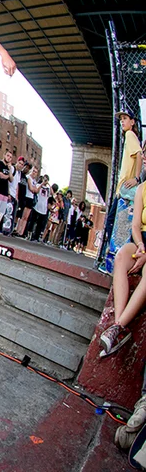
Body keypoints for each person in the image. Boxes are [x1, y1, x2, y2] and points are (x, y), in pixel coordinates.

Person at [100, 181, 146, 356]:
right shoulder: (142, 188)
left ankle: (118, 326)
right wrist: (141, 245)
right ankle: (117, 327)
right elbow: (135, 225)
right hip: (141, 241)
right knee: (121, 257)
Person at [103, 109, 142, 243]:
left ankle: (115, 255)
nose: (122, 122)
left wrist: (136, 178)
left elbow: (139, 154)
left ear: (132, 122)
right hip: (123, 190)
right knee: (120, 225)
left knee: (111, 222)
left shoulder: (130, 135)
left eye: (125, 118)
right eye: (121, 119)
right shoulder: (129, 137)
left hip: (126, 190)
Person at [31, 174, 51, 242]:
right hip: (37, 206)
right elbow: (36, 191)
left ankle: (36, 236)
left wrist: (48, 184)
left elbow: (52, 193)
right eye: (44, 179)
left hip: (43, 209)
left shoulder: (48, 189)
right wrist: (42, 183)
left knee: (40, 224)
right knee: (33, 221)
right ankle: (31, 235)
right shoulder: (38, 185)